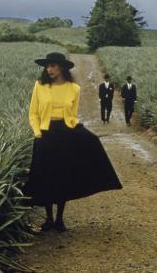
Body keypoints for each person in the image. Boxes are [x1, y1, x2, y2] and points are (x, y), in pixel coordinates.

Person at [23, 52, 122, 232]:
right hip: (45, 134)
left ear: (61, 67)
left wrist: (77, 128)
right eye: (47, 66)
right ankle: (48, 219)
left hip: (65, 133)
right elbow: (33, 113)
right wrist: (37, 133)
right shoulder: (40, 85)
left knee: (63, 175)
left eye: (53, 66)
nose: (49, 69)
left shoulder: (74, 88)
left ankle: (60, 219)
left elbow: (72, 115)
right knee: (46, 176)